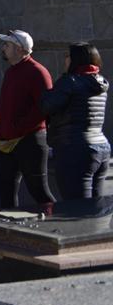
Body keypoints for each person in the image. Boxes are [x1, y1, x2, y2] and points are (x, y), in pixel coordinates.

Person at [0, 29, 55, 212]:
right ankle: (9, 231)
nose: (3, 48)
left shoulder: (37, 72)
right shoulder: (11, 72)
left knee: (39, 191)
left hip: (30, 141)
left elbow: (43, 108)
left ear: (19, 49)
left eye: (7, 45)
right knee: (6, 190)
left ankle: (58, 227)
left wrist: (18, 128)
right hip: (6, 142)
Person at [40, 43, 109, 201]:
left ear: (75, 59)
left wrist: (45, 92)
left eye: (67, 56)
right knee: (94, 207)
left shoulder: (69, 81)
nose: (65, 59)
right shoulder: (100, 82)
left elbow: (47, 106)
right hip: (101, 147)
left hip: (74, 149)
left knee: (76, 206)